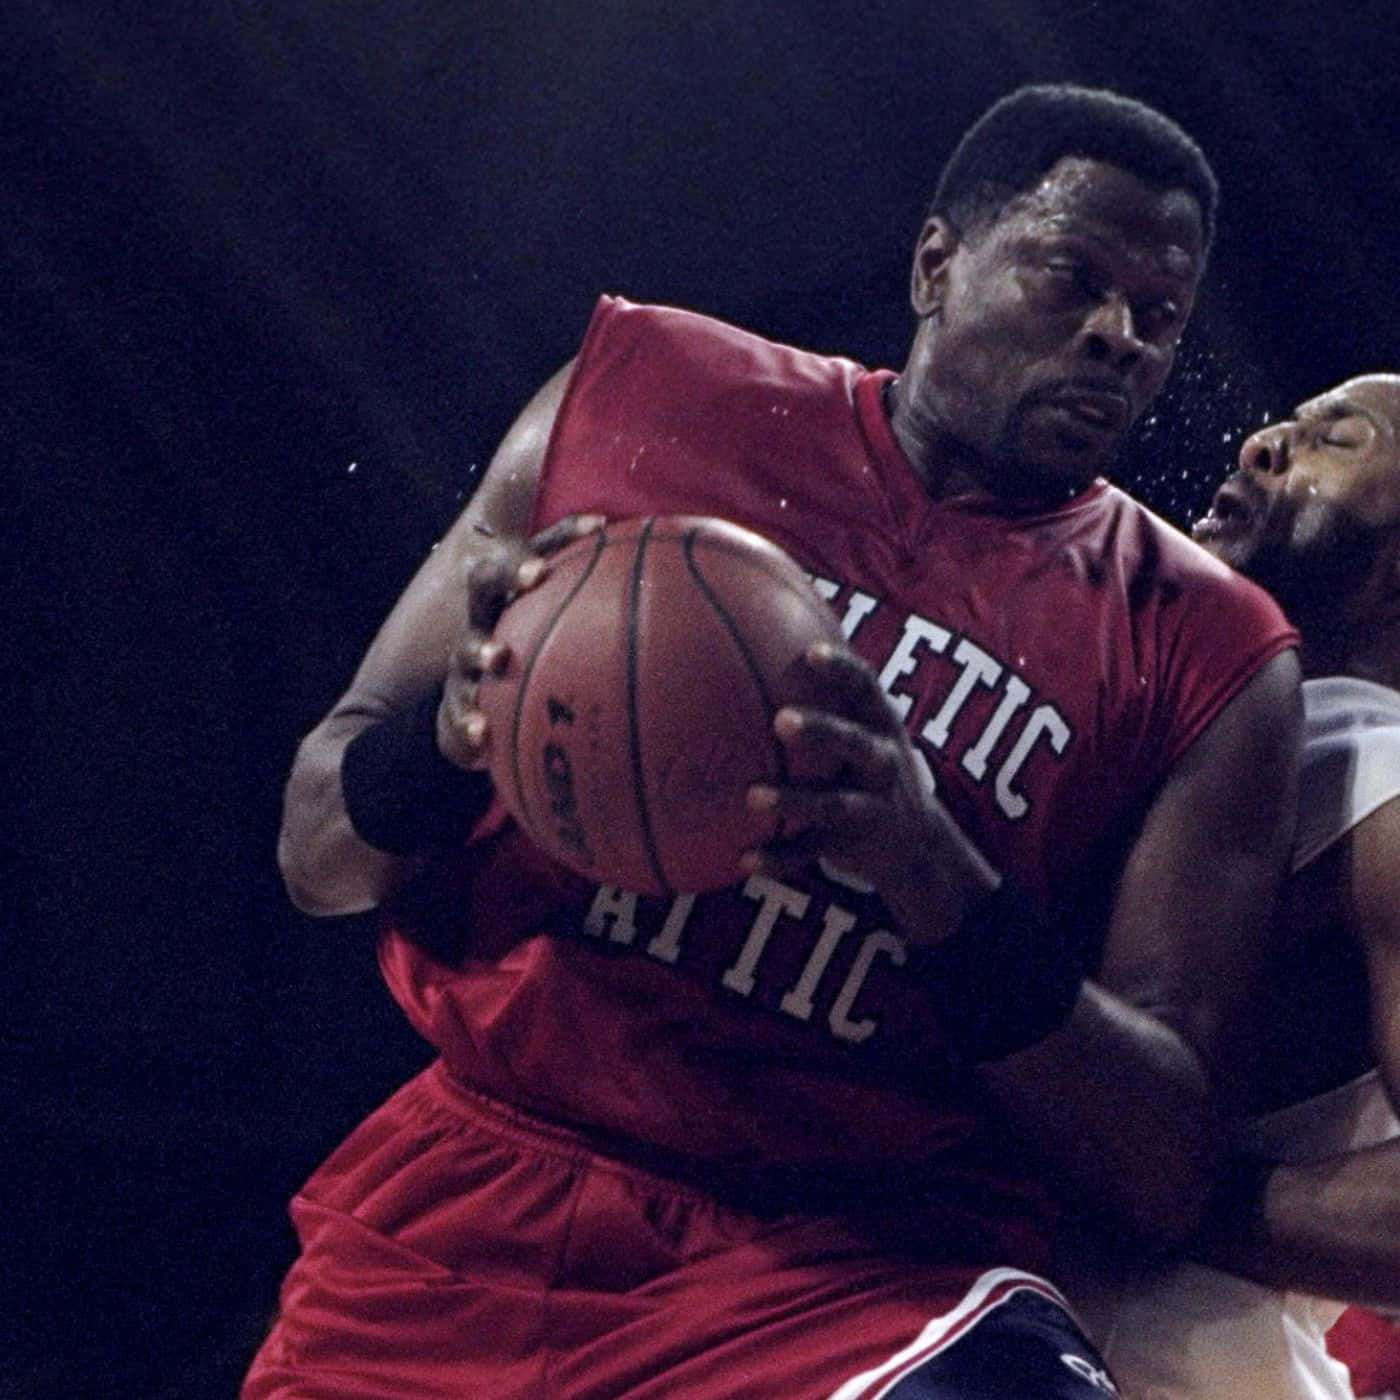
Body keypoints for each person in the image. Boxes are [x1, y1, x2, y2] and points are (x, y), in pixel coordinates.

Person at [245, 85, 1302, 1398]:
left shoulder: (1206, 645)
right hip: (485, 1189)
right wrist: (450, 735)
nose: (1115, 340)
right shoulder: (648, 399)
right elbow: (316, 856)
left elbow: (1159, 1168)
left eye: (1159, 318)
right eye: (1070, 278)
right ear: (936, 263)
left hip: (855, 1264)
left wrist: (930, 863)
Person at [1060, 373, 1400, 1399]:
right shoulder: (1160, 712)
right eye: (1279, 421)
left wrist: (1158, 1173)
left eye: (1333, 439)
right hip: (959, 1316)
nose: (1260, 445)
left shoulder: (1383, 791)